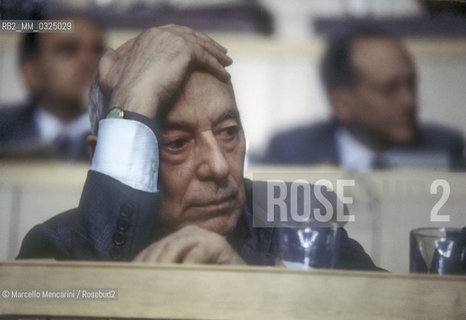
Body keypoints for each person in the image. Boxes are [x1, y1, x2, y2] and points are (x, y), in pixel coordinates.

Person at [17, 25, 380, 271]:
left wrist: (253, 292)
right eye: (176, 143)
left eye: (227, 132)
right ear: (105, 156)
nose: (219, 167)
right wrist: (133, 97)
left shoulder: (297, 217)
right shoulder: (56, 246)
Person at [260, 28, 466, 172]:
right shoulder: (291, 154)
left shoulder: (445, 149)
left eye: (411, 84)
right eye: (389, 89)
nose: (408, 101)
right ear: (342, 103)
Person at [0, 15, 105, 161]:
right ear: (32, 72)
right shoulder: (4, 130)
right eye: (68, 50)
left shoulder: (121, 134)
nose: (88, 61)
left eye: (97, 51)